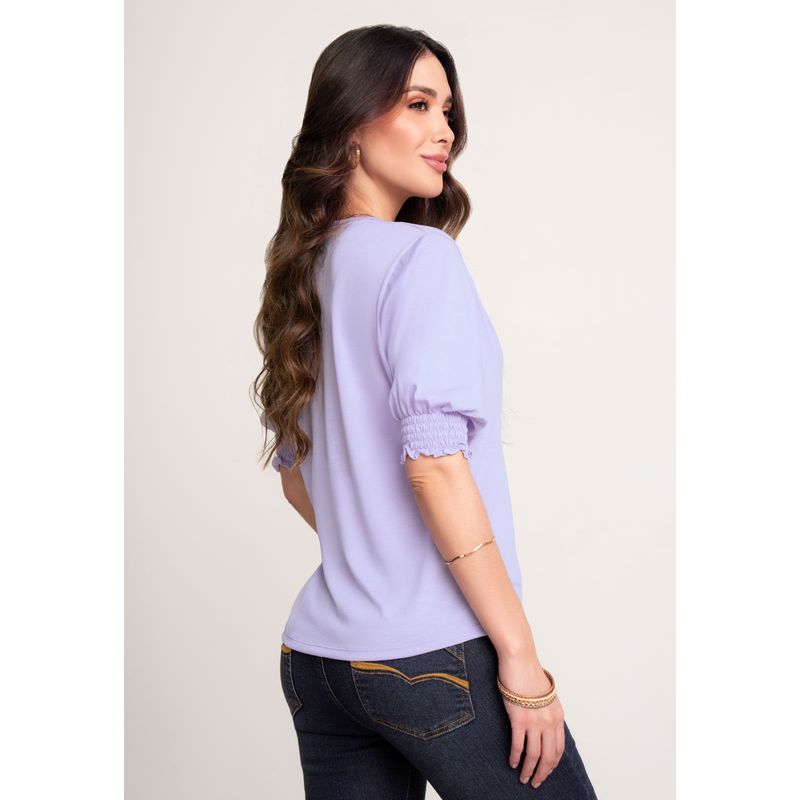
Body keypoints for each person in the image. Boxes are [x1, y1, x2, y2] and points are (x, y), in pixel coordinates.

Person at [253, 24, 599, 800]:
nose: (444, 129)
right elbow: (435, 466)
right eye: (417, 104)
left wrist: (373, 552)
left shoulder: (299, 273)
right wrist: (521, 659)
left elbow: (297, 477)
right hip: (434, 657)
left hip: (320, 660)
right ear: (350, 124)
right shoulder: (420, 258)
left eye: (447, 109)